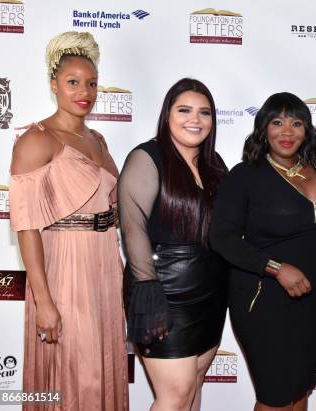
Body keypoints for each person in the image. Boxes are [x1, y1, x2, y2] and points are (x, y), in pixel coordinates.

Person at [9, 31, 128, 410]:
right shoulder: (35, 141)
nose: (84, 91)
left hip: (106, 266)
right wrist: (43, 300)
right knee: (72, 372)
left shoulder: (99, 140)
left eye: (91, 83)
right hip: (66, 268)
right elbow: (26, 226)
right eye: (73, 82)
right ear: (53, 85)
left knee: (103, 365)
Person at [209, 92, 316, 411]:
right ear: (263, 128)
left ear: (307, 130)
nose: (287, 132)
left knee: (300, 393)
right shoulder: (245, 175)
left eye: (296, 123)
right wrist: (275, 267)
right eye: (277, 122)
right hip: (264, 300)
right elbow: (223, 238)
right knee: (275, 398)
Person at [119, 78, 228, 411]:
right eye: (184, 110)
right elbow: (133, 228)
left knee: (193, 387)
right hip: (163, 292)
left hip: (210, 292)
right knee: (175, 394)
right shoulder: (146, 157)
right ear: (167, 114)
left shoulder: (215, 164)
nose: (194, 119)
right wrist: (149, 289)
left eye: (204, 112)